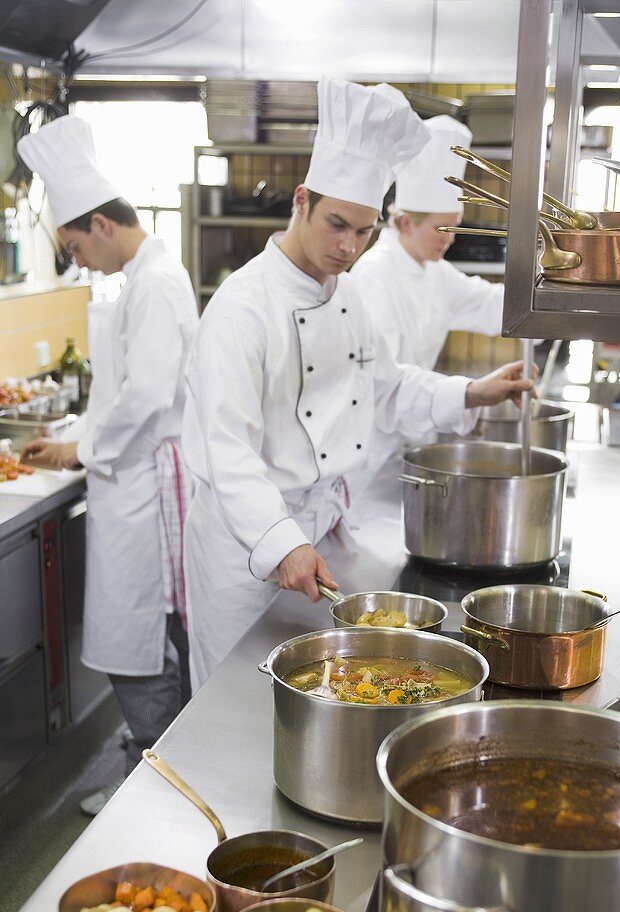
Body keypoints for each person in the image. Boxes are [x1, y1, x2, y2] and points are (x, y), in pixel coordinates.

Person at [182, 78, 535, 690]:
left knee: (315, 693)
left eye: (364, 231)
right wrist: (280, 542)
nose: (348, 248)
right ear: (302, 201)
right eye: (337, 225)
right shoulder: (243, 308)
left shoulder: (345, 295)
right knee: (230, 705)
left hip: (321, 528)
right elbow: (226, 452)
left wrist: (471, 393)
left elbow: (387, 388)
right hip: (246, 548)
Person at [17, 116, 198, 810]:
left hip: (144, 488)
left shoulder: (154, 283)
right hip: (130, 479)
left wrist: (82, 446)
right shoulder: (143, 278)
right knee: (140, 637)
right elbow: (123, 389)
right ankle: (152, 765)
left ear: (100, 223)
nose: (79, 261)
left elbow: (147, 395)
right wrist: (81, 441)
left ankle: (154, 783)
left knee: (136, 639)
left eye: (74, 246)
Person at [350, 114, 511, 462]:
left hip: (406, 441)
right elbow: (384, 387)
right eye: (442, 228)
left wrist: (547, 299)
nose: (451, 239)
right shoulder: (375, 277)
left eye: (454, 227)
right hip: (368, 452)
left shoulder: (434, 272)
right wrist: (468, 393)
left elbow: (489, 304)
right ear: (407, 222)